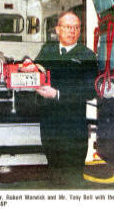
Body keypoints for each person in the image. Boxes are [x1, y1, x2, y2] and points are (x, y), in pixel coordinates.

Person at [35, 11, 97, 185]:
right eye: (68, 27)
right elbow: (37, 67)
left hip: (73, 128)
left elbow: (90, 90)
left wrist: (57, 94)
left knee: (72, 178)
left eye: (76, 27)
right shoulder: (48, 49)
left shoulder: (87, 55)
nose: (72, 31)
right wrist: (30, 66)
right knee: (54, 174)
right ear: (58, 29)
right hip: (49, 125)